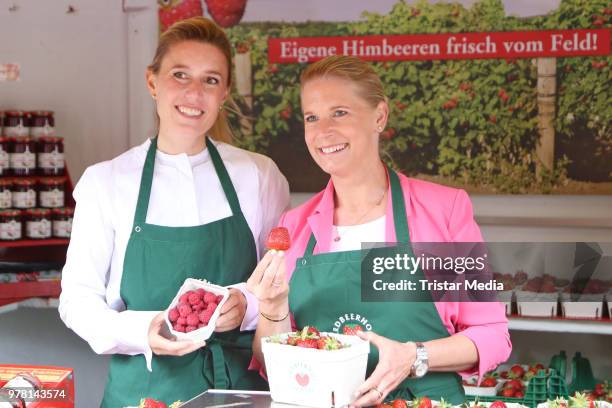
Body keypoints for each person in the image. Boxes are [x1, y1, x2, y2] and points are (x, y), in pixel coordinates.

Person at [247, 55, 511, 407]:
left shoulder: (443, 211)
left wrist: (413, 356)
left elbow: (492, 336)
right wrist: (274, 308)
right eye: (312, 117)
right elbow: (271, 361)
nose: (323, 130)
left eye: (339, 112)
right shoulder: (294, 226)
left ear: (379, 116)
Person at [59, 17, 289, 407]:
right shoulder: (107, 182)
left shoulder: (258, 174)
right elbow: (77, 301)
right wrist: (143, 329)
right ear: (153, 82)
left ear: (225, 91)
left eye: (211, 80)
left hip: (237, 387)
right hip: (144, 391)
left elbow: (280, 279)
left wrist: (245, 304)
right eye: (180, 75)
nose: (194, 93)